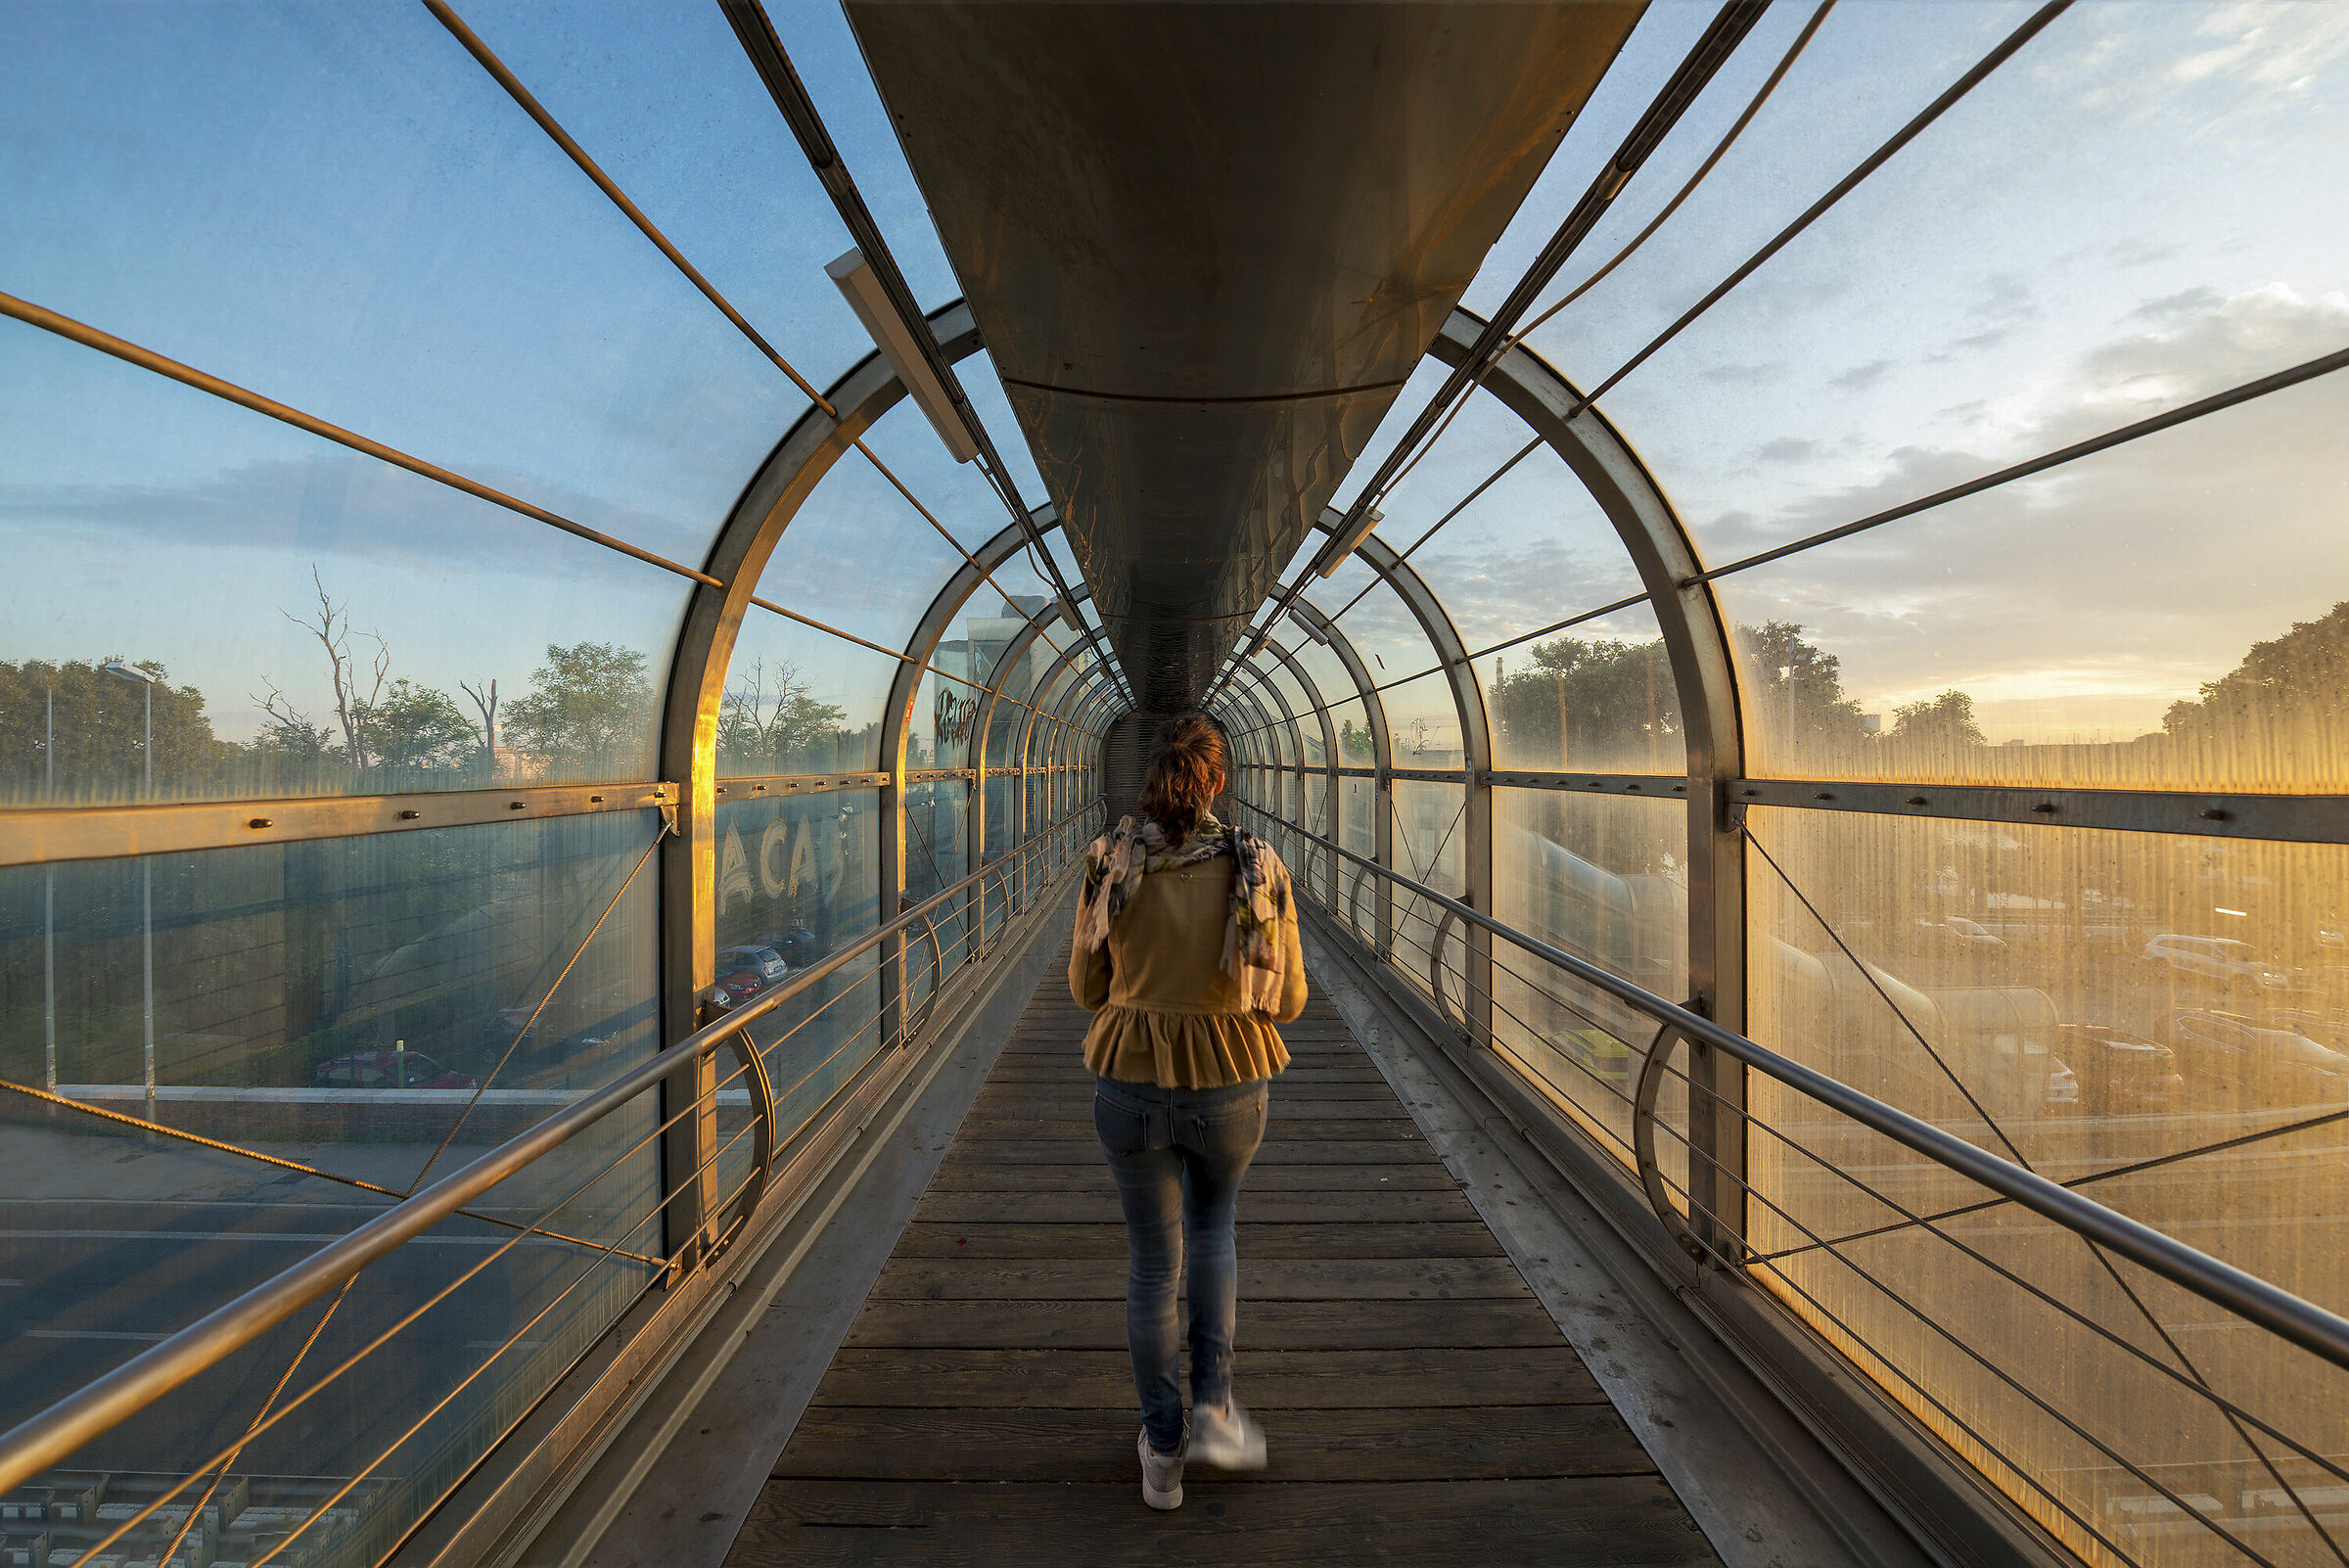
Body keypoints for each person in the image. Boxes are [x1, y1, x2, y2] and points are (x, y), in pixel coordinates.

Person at [1070, 714, 1308, 1510]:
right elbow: (1293, 999)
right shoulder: (1259, 865)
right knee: (1214, 1234)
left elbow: (1085, 990)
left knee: (1150, 1267)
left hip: (1127, 1084)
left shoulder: (1110, 861)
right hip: (1231, 1083)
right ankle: (1212, 1411)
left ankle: (1161, 1451)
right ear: (1217, 782)